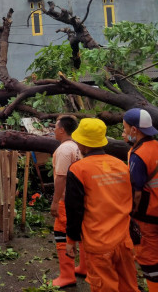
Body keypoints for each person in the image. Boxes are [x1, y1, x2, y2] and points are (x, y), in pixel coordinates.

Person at [65, 118, 139, 292]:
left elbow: (74, 210)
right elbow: (133, 198)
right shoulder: (121, 165)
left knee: (105, 287)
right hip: (124, 241)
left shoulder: (78, 170)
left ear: (82, 144)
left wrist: (71, 240)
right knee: (129, 286)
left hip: (99, 244)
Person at [123, 108, 158, 292]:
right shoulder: (156, 147)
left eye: (125, 128)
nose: (124, 132)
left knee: (148, 259)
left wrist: (131, 214)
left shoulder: (138, 155)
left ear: (134, 130)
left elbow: (136, 192)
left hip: (149, 215)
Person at [50, 116, 86, 287]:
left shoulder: (64, 150)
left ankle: (67, 275)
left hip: (67, 200)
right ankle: (84, 267)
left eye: (56, 127)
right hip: (82, 199)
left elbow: (61, 178)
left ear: (62, 129)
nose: (54, 130)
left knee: (61, 234)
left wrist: (55, 202)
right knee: (82, 234)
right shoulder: (78, 147)